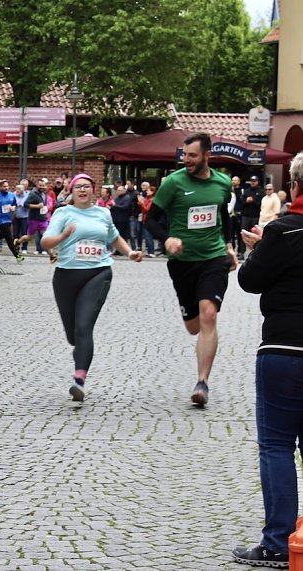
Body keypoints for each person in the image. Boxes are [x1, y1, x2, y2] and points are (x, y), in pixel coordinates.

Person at [232, 152, 303, 569]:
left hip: (284, 350)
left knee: (277, 445)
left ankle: (277, 542)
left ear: (295, 185)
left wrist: (257, 250)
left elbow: (249, 280)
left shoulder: (285, 230)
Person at [144, 132, 237, 407]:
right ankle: (192, 320)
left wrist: (229, 246)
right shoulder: (172, 183)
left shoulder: (222, 183)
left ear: (208, 155)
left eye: (193, 155)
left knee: (209, 315)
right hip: (183, 263)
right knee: (193, 326)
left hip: (214, 258)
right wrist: (167, 238)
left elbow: (224, 218)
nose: (187, 160)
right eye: (184, 155)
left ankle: (202, 382)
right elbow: (151, 220)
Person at [41, 174, 143, 401]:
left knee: (84, 326)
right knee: (73, 335)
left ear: (94, 190)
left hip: (98, 273)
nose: (83, 190)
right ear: (71, 191)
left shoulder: (103, 213)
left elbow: (114, 238)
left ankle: (79, 380)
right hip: (66, 276)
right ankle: (80, 353)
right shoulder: (63, 213)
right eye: (78, 187)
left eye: (87, 186)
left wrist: (130, 253)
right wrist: (63, 236)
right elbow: (45, 242)